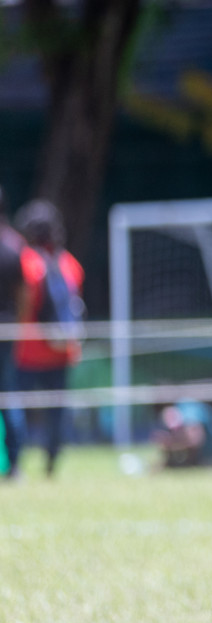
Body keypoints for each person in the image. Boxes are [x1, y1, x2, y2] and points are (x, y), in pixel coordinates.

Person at [13, 200, 84, 477]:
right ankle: (52, 461)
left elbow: (24, 304)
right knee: (56, 410)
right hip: (62, 349)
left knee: (13, 405)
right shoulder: (71, 264)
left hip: (27, 350)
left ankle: (15, 462)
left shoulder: (27, 262)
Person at [0, 186, 26, 478]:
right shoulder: (14, 245)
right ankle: (15, 465)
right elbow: (25, 293)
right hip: (7, 330)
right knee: (9, 396)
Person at [150, 401, 212, 469]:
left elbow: (196, 441)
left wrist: (174, 444)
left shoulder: (191, 419)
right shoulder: (177, 414)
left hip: (207, 447)